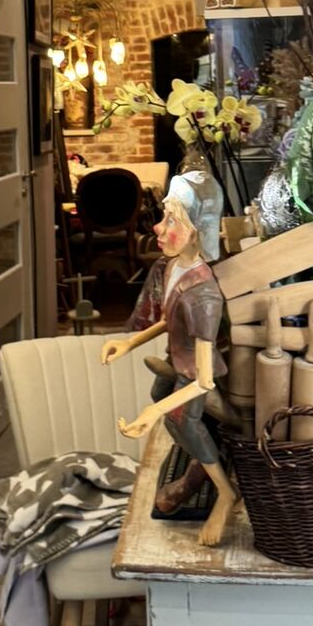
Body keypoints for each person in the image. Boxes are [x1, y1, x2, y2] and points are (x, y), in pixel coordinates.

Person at [101, 169, 239, 546]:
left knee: (183, 421)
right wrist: (129, 344)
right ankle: (198, 461)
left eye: (172, 220)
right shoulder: (173, 267)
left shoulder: (204, 296)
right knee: (161, 399)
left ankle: (225, 494)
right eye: (164, 216)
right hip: (177, 360)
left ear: (196, 232)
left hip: (195, 372)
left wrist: (153, 414)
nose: (158, 228)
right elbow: (168, 319)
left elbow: (205, 380)